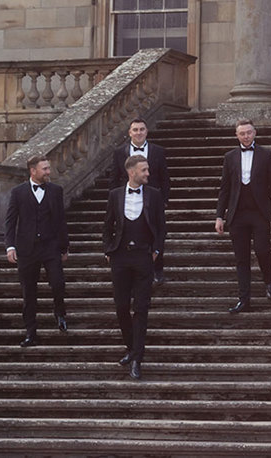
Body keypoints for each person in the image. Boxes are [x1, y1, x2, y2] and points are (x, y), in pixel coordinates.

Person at [102, 154, 165, 379]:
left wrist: (156, 251)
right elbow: (107, 225)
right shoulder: (115, 195)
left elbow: (161, 227)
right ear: (132, 172)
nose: (148, 173)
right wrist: (108, 250)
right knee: (121, 307)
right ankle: (131, 348)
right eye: (144, 170)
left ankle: (138, 357)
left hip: (143, 258)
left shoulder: (155, 195)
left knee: (141, 309)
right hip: (120, 257)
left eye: (148, 169)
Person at [215, 119, 271, 313]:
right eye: (242, 133)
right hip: (237, 214)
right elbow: (225, 189)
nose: (246, 136)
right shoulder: (230, 157)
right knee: (241, 258)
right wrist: (220, 216)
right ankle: (244, 299)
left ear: (255, 133)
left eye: (249, 132)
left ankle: (269, 280)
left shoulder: (266, 154)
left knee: (262, 250)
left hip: (260, 212)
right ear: (237, 135)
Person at [4, 154, 69, 347]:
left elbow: (61, 221)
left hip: (50, 247)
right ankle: (31, 332)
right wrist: (10, 246)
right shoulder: (18, 192)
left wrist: (64, 246)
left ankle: (60, 312)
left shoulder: (56, 190)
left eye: (48, 168)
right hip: (27, 249)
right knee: (28, 293)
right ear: (33, 171)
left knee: (58, 282)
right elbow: (10, 221)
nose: (49, 172)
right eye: (45, 169)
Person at [110, 116, 171, 283]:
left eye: (142, 129)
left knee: (157, 233)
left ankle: (158, 269)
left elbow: (165, 177)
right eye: (135, 130)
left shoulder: (157, 151)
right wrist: (115, 201)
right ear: (129, 132)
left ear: (147, 131)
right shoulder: (119, 152)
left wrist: (164, 200)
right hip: (128, 199)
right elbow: (114, 178)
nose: (139, 133)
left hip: (153, 201)